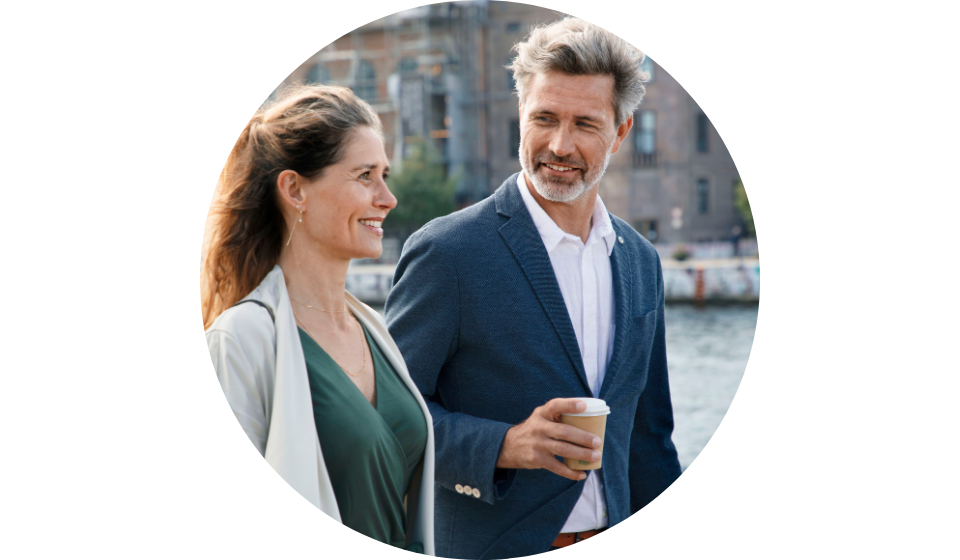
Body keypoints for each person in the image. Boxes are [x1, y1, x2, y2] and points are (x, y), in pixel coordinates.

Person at [385, 18, 680, 559]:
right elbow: (385, 416)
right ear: (521, 116)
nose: (559, 144)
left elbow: (649, 438)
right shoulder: (447, 253)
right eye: (543, 118)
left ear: (620, 132)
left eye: (585, 124)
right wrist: (503, 445)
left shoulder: (641, 261)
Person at [202, 85, 435, 554]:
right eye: (365, 176)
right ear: (294, 189)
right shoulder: (241, 340)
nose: (388, 198)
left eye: (384, 175)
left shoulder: (375, 330)